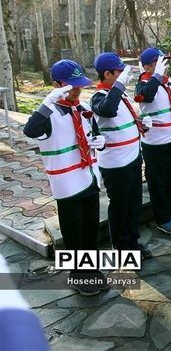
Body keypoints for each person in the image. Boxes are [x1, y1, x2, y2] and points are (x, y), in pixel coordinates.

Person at [23, 59, 110, 295]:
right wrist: (47, 102)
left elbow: (94, 134)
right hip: (67, 185)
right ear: (55, 85)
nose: (77, 90)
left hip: (88, 178)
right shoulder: (48, 114)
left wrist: (99, 143)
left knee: (90, 230)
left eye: (80, 85)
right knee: (73, 234)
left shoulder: (81, 110)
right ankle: (78, 276)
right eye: (71, 86)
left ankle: (91, 272)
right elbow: (30, 130)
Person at [91, 52, 152, 257]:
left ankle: (133, 243)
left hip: (133, 157)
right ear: (107, 74)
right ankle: (121, 248)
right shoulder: (98, 97)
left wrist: (142, 124)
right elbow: (108, 110)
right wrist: (119, 86)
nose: (124, 75)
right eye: (119, 71)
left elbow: (123, 121)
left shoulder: (121, 94)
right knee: (120, 207)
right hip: (116, 164)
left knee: (134, 203)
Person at [135, 47, 171, 234]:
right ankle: (162, 218)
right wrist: (156, 76)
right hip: (155, 144)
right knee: (158, 183)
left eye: (166, 62)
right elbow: (147, 96)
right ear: (148, 67)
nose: (166, 66)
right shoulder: (143, 84)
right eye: (160, 63)